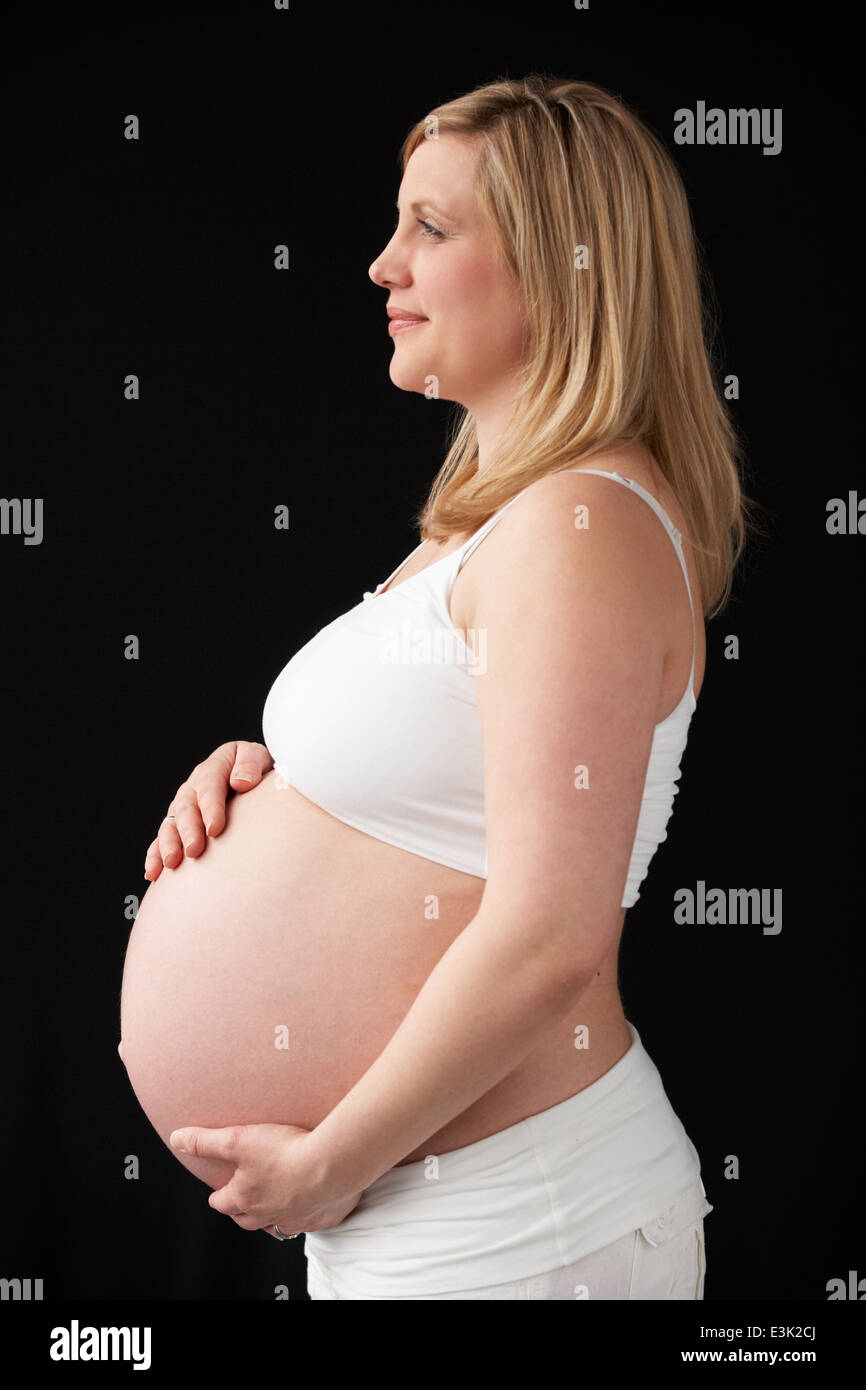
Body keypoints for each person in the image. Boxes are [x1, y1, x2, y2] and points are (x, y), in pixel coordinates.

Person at [142, 74, 757, 1299]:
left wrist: (329, 1161)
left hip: (518, 1226)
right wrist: (271, 778)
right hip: (446, 1230)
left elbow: (549, 935)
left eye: (431, 227)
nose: (382, 265)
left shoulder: (580, 523)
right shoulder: (504, 520)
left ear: (565, 266)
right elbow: (446, 784)